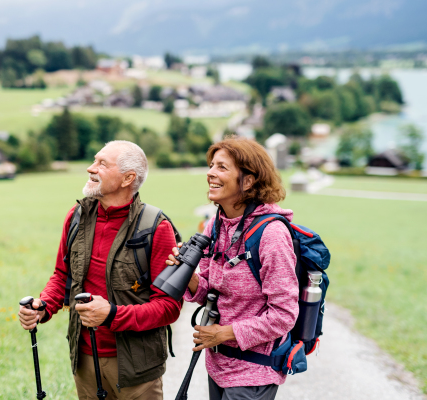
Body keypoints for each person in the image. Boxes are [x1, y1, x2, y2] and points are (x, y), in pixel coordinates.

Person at [19, 140, 182, 400]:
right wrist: (43, 307)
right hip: (84, 359)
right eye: (94, 160)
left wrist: (112, 315)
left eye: (101, 164)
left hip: (136, 369)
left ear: (128, 178)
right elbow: (62, 275)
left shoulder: (156, 227)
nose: (90, 168)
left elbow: (169, 307)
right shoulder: (76, 216)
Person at [167, 136, 299, 400]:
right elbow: (208, 292)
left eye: (222, 167)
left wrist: (223, 333)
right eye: (211, 165)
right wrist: (188, 276)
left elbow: (284, 315)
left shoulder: (271, 234)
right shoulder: (215, 226)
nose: (210, 173)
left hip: (254, 371)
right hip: (218, 365)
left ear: (248, 180)